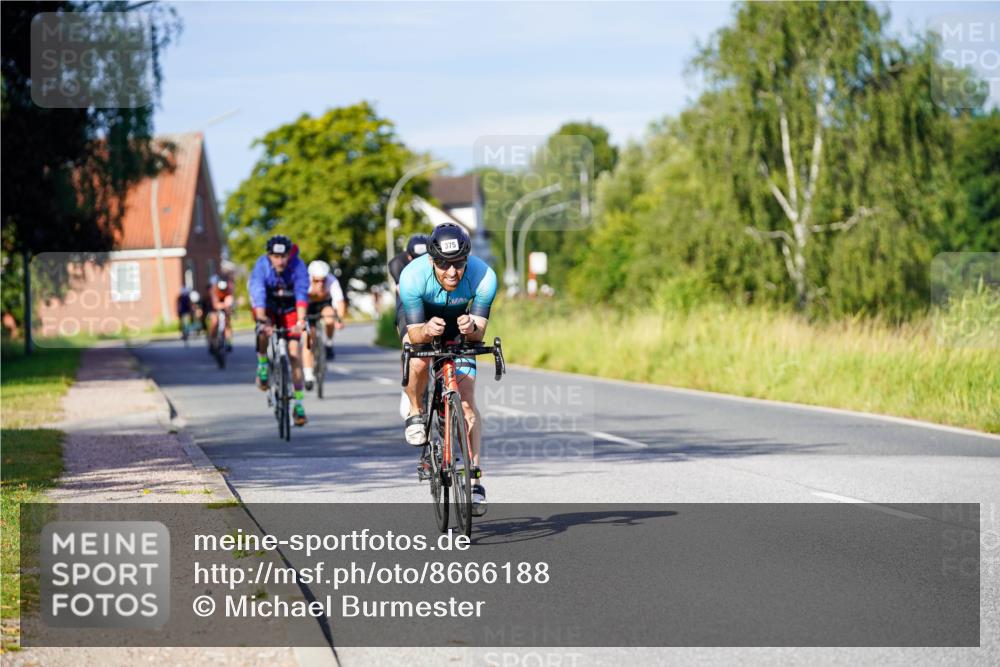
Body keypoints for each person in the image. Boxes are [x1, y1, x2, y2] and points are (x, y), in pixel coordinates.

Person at [397, 223, 497, 516]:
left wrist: (472, 328)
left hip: (458, 323)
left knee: (466, 403)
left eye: (458, 264)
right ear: (431, 260)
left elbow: (479, 333)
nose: (451, 273)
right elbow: (415, 335)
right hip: (422, 320)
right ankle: (416, 410)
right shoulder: (412, 277)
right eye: (443, 265)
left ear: (467, 259)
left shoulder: (484, 277)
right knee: (417, 358)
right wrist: (426, 329)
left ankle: (475, 477)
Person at [248, 234, 310, 427]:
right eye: (275, 256)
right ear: (269, 256)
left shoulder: (298, 266)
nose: (280, 261)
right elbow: (258, 292)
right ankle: (263, 365)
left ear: (289, 255)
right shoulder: (262, 266)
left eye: (283, 256)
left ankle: (298, 404)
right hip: (268, 306)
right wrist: (262, 320)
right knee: (262, 331)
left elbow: (301, 292)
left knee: (294, 354)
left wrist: (300, 320)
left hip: (291, 308)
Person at [388, 234, 430, 418]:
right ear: (408, 256)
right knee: (410, 346)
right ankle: (408, 386)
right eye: (415, 259)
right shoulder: (397, 264)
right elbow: (403, 291)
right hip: (407, 305)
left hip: (432, 304)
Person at [303, 260, 346, 389]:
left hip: (324, 305)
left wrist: (340, 319)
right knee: (308, 340)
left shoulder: (332, 281)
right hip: (307, 307)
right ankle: (308, 375)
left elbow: (340, 301)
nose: (321, 283)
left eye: (323, 280)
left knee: (330, 317)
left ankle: (328, 343)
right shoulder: (304, 283)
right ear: (311, 278)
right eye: (317, 281)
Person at [207, 274, 234, 352]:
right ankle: (212, 342)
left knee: (227, 323)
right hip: (214, 307)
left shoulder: (228, 288)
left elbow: (230, 299)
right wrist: (222, 305)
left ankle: (228, 342)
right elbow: (214, 304)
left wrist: (228, 305)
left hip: (224, 306)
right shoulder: (214, 289)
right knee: (214, 322)